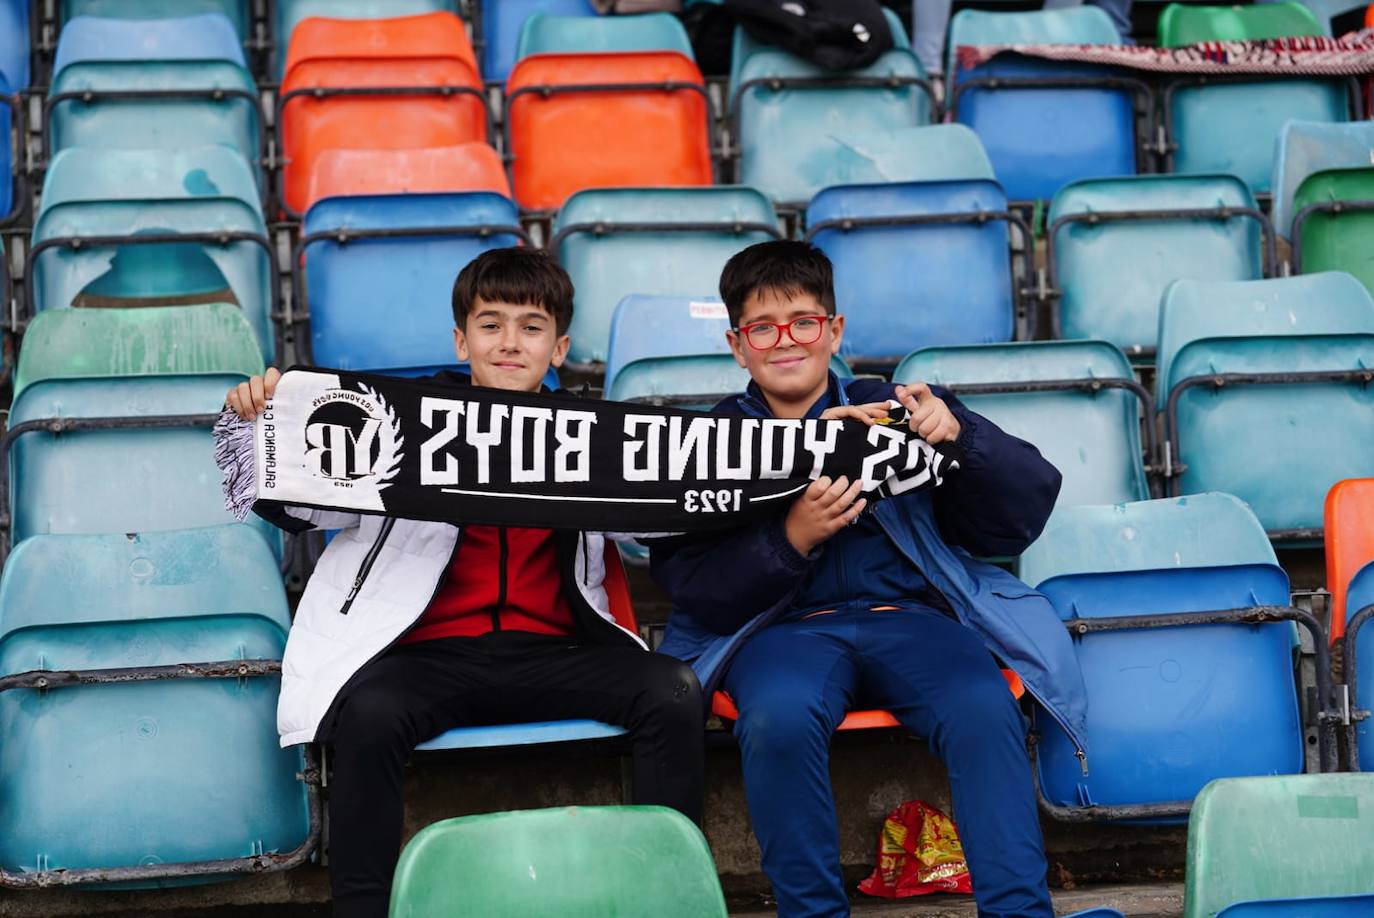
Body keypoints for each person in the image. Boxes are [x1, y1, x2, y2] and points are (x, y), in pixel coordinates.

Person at [226, 247, 704, 918]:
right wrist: (264, 426)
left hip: (557, 654)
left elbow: (672, 513)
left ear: (560, 346)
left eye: (532, 326)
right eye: (490, 323)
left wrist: (794, 456)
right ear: (461, 339)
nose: (510, 342)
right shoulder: (400, 421)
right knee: (369, 714)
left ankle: (667, 897)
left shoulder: (598, 435)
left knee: (674, 691)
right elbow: (299, 505)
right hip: (427, 659)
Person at [649, 241, 1086, 918]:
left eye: (804, 321)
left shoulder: (904, 408)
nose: (785, 341)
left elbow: (1016, 519)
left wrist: (961, 436)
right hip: (780, 634)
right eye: (763, 328)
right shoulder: (713, 444)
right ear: (738, 346)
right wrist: (790, 539)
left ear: (835, 331)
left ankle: (1020, 912)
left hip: (911, 622)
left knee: (981, 705)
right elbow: (691, 584)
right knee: (779, 719)